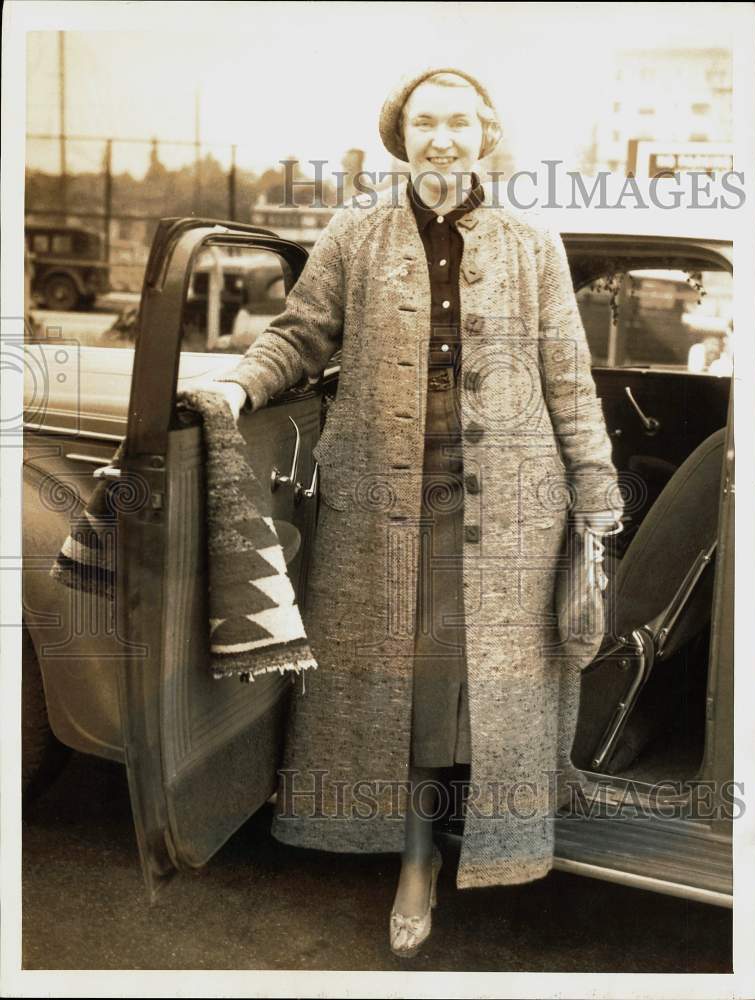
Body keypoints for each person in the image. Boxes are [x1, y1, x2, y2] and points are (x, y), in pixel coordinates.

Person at [208, 66, 623, 958]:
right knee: (412, 686)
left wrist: (596, 494)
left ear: (485, 134)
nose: (443, 138)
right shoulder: (355, 233)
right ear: (401, 136)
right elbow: (301, 333)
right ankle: (414, 859)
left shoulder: (531, 242)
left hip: (511, 508)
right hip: (383, 502)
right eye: (425, 122)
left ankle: (501, 841)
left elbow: (567, 376)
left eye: (459, 122)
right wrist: (239, 386)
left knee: (489, 689)